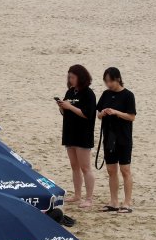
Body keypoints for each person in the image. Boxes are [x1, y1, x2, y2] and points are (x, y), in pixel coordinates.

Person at [96, 67, 136, 213]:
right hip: (109, 136)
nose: (108, 84)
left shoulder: (128, 95)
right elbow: (98, 115)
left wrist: (116, 112)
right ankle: (114, 201)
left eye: (110, 81)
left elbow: (131, 116)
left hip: (123, 137)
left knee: (125, 169)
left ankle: (127, 202)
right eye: (106, 81)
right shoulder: (106, 94)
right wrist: (104, 113)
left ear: (118, 79)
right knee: (111, 170)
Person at [57, 64, 96, 209]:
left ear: (80, 77)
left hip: (83, 134)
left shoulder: (88, 94)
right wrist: (62, 107)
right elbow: (66, 113)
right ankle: (77, 194)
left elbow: (87, 114)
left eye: (72, 77)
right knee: (74, 166)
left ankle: (89, 198)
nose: (70, 79)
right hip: (69, 132)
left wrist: (70, 107)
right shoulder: (70, 92)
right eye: (69, 77)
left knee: (85, 167)